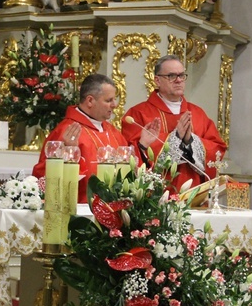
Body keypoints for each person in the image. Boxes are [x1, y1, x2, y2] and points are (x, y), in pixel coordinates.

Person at [121, 54, 227, 190]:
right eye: (171, 76)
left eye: (182, 75)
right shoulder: (138, 114)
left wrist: (190, 141)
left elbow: (217, 150)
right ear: (157, 80)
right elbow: (131, 153)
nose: (178, 80)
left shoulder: (198, 114)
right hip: (154, 197)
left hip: (194, 194)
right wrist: (175, 138)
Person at [32, 73, 135, 202]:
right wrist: (68, 155)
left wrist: (142, 146)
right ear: (90, 101)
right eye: (109, 100)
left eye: (114, 99)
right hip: (80, 211)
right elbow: (44, 178)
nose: (114, 105)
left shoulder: (114, 133)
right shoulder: (67, 131)